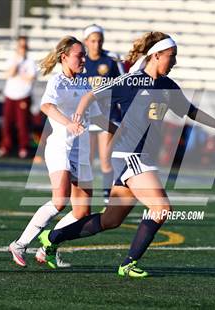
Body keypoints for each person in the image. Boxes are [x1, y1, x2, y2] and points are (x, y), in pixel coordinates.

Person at [38, 31, 215, 276]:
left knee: (110, 220)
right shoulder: (131, 81)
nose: (175, 62)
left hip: (141, 157)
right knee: (161, 208)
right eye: (172, 56)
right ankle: (128, 263)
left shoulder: (167, 86)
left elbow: (191, 111)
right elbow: (90, 95)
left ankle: (53, 237)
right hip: (128, 154)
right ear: (156, 55)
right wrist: (78, 114)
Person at [8, 36, 115, 268]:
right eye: (79, 55)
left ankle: (47, 246)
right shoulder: (58, 81)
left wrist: (122, 131)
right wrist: (68, 123)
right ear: (64, 57)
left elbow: (96, 116)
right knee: (60, 201)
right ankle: (19, 244)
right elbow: (46, 106)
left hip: (82, 152)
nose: (84, 59)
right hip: (60, 148)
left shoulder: (84, 83)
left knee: (82, 211)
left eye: (85, 55)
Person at [82, 24, 124, 205]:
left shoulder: (111, 60)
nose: (96, 44)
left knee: (106, 159)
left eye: (99, 40)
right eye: (93, 41)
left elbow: (124, 84)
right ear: (86, 42)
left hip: (108, 114)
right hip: (87, 116)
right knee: (87, 160)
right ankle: (85, 195)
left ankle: (108, 195)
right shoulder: (80, 60)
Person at [0, 36, 36, 159]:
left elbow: (31, 78)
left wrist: (21, 75)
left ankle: (23, 148)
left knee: (22, 124)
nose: (22, 49)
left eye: (24, 46)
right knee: (7, 123)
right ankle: (5, 146)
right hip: (10, 95)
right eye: (21, 46)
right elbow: (10, 73)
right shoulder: (12, 60)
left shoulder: (30, 62)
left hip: (23, 96)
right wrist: (17, 63)